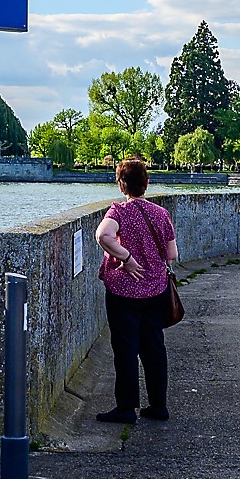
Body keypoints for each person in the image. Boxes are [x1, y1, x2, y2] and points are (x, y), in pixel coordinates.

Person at [94, 158, 178, 424]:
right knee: (154, 347)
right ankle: (158, 406)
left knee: (125, 348)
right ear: (147, 183)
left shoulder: (118, 212)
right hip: (156, 290)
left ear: (121, 185)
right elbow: (172, 254)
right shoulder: (160, 213)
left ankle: (126, 408)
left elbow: (103, 236)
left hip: (123, 292)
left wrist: (127, 258)